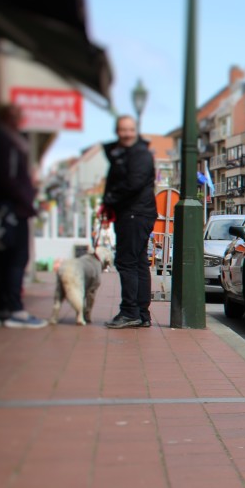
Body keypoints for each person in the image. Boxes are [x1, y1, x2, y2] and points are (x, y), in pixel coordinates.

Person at [101, 115, 157, 328]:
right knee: (139, 262)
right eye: (123, 130)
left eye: (130, 130)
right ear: (117, 131)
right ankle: (141, 313)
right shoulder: (126, 153)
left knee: (127, 262)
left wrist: (110, 199)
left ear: (135, 131)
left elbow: (133, 183)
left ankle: (130, 311)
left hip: (134, 213)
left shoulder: (139, 154)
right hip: (136, 212)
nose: (126, 134)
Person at [0, 103, 46, 328]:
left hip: (7, 206)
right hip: (13, 208)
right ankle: (14, 309)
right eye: (16, 115)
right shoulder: (7, 141)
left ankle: (1, 308)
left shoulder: (4, 139)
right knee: (16, 258)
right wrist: (26, 199)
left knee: (3, 258)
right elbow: (8, 176)